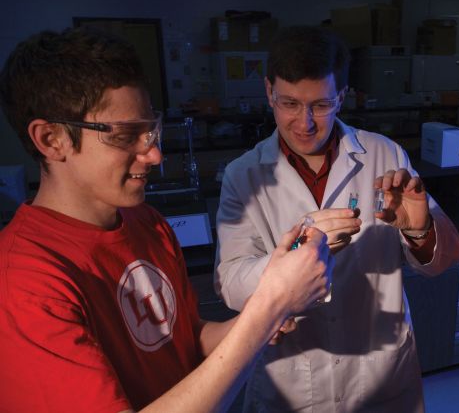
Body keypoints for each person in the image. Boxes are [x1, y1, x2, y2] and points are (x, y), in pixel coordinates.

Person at [0, 27, 334, 413]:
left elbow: (187, 341)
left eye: (150, 130)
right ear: (51, 139)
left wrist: (265, 308)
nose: (154, 155)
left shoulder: (148, 224)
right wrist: (268, 309)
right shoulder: (22, 282)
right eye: (126, 136)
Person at [214, 25, 459, 412]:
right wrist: (297, 257)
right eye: (289, 104)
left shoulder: (386, 155)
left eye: (321, 104)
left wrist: (420, 229)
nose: (305, 122)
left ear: (342, 97)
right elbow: (230, 283)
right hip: (291, 384)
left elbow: (443, 261)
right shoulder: (243, 175)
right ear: (268, 92)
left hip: (381, 377)